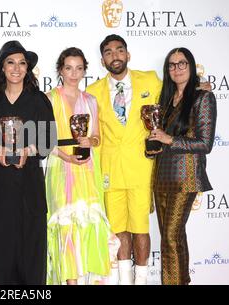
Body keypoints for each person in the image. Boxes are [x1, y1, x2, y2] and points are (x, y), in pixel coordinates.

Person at [86, 34, 162, 285]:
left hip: (141, 168)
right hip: (110, 170)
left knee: (141, 227)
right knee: (119, 229)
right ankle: (125, 279)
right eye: (108, 52)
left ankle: (141, 280)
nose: (115, 56)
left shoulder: (150, 79)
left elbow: (176, 98)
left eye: (119, 51)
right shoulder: (93, 92)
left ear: (128, 55)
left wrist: (198, 86)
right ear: (102, 60)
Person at [0, 40, 55, 285]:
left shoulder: (39, 100)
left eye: (22, 63)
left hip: (28, 187)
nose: (16, 68)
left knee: (31, 251)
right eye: (10, 62)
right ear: (2, 67)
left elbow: (48, 140)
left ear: (28, 68)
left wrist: (28, 150)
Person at [45, 47, 119, 285]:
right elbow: (43, 139)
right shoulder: (49, 99)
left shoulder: (91, 101)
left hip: (87, 168)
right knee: (66, 225)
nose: (74, 74)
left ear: (85, 70)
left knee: (90, 223)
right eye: (68, 68)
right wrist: (64, 156)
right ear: (60, 70)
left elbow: (97, 137)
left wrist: (90, 141)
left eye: (79, 68)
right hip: (60, 167)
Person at [148, 48, 217, 285]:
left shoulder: (202, 97)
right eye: (171, 65)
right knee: (175, 238)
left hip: (185, 177)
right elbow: (160, 139)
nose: (176, 68)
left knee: (169, 237)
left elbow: (205, 144)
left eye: (182, 63)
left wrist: (169, 139)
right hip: (162, 177)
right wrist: (154, 146)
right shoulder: (165, 99)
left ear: (191, 66)